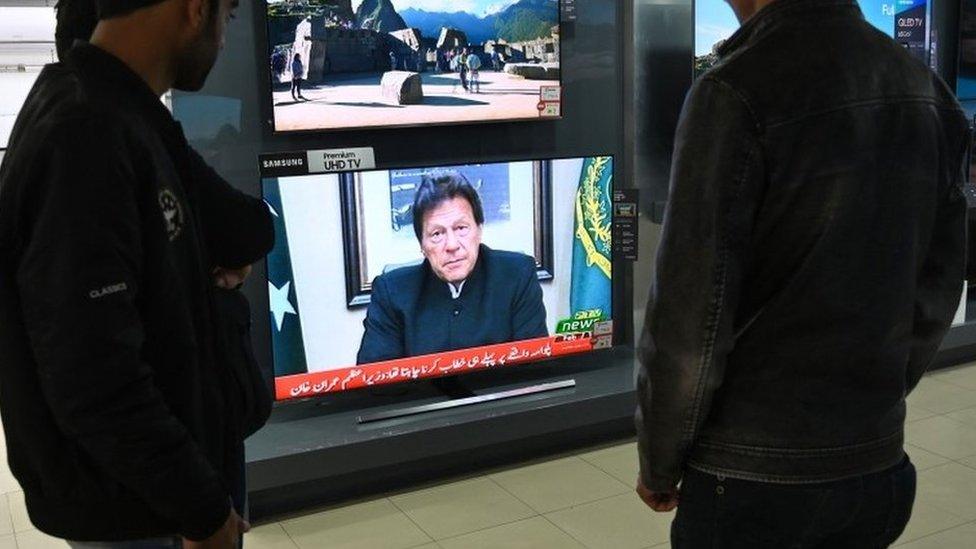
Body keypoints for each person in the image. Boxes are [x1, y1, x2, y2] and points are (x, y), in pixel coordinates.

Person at [634, 0, 968, 546]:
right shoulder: (927, 89)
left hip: (753, 476)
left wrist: (660, 459)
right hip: (877, 467)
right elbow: (937, 286)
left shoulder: (732, 92)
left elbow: (691, 315)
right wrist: (872, 398)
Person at [0, 0, 275, 548]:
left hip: (160, 494)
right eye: (228, 18)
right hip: (140, 511)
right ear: (196, 9)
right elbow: (95, 378)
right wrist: (201, 510)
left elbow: (239, 229)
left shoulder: (126, 114)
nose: (224, 39)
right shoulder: (83, 133)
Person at [356, 173, 548, 364]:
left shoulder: (517, 275)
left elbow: (535, 370)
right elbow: (374, 384)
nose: (452, 245)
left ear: (479, 229)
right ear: (422, 244)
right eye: (437, 234)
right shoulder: (391, 292)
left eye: (461, 228)